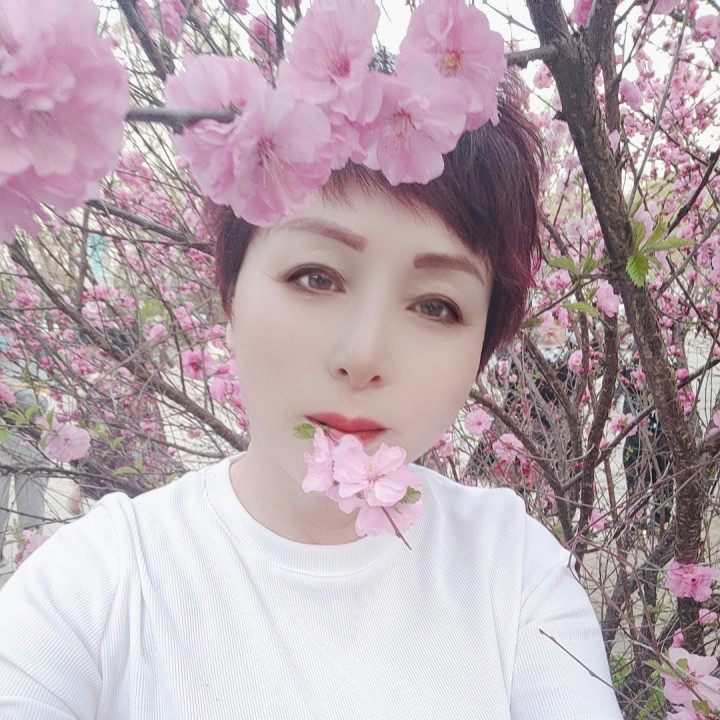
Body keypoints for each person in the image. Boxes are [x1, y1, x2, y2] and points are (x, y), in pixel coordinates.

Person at [0, 76, 623, 719]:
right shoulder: (98, 585)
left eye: (436, 306)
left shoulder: (513, 571)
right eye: (316, 277)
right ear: (231, 296)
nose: (363, 356)